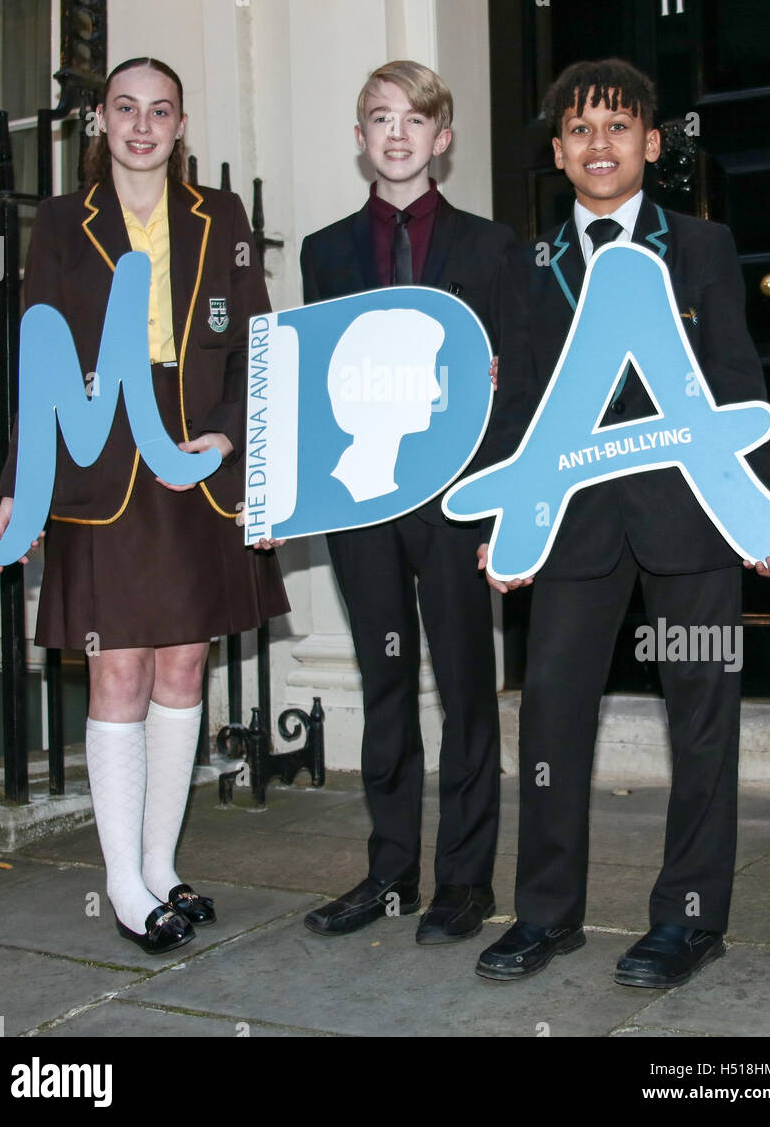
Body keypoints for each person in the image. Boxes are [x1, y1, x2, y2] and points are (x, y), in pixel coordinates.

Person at [474, 58, 770, 986]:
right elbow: (518, 413)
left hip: (691, 520)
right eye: (580, 129)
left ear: (651, 145)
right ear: (557, 152)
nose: (599, 144)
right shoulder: (525, 263)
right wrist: (508, 520)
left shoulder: (701, 246)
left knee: (703, 717)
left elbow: (741, 382)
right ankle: (545, 914)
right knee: (550, 720)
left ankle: (691, 919)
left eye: (617, 127)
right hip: (576, 526)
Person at [0, 57, 289, 955]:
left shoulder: (220, 218)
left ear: (181, 122)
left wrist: (232, 441)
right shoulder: (58, 223)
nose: (142, 126)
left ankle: (160, 866)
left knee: (185, 669)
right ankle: (121, 882)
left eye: (160, 110)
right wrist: (24, 482)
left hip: (193, 464)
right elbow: (34, 352)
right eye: (125, 109)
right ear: (102, 122)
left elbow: (259, 344)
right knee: (117, 669)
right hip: (99, 462)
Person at [299, 60, 515, 943]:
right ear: (361, 140)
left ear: (442, 138)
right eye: (379, 119)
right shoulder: (324, 252)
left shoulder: (496, 249)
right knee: (385, 685)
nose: (397, 134)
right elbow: (315, 385)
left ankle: (465, 882)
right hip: (362, 505)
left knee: (467, 689)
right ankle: (390, 875)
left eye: (414, 120)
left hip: (457, 501)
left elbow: (519, 385)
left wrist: (504, 507)